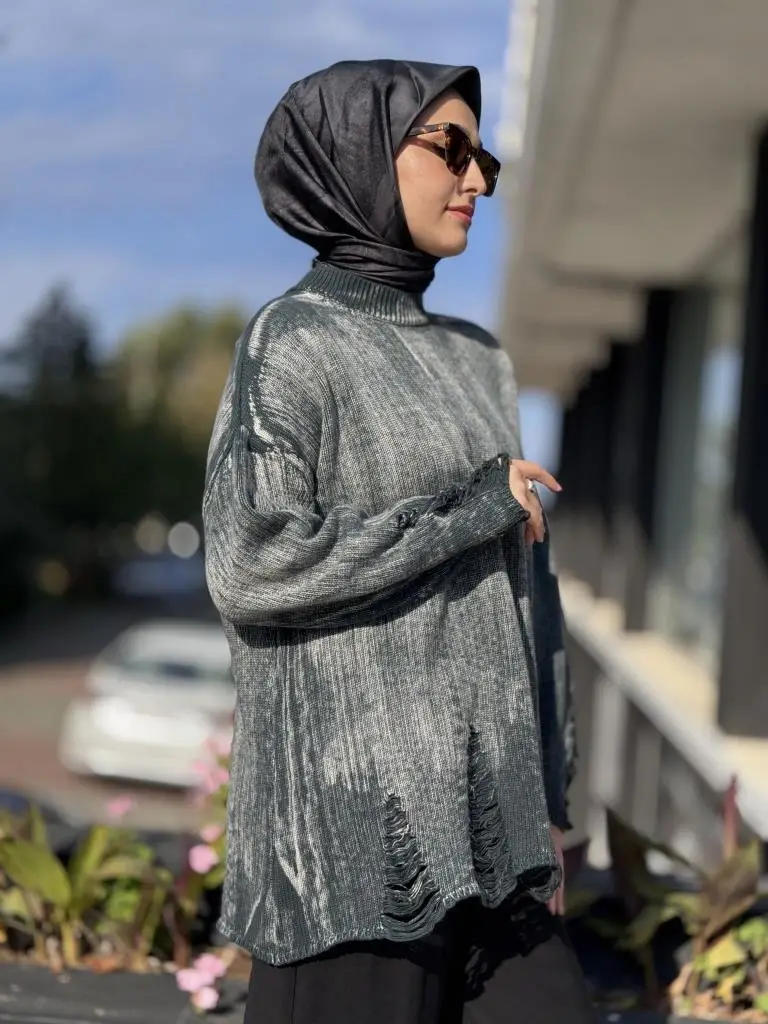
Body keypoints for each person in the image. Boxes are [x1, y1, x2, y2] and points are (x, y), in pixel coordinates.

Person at [202, 59, 597, 1024]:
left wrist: (547, 791)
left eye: (485, 160)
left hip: (495, 835)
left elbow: (529, 593)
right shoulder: (294, 341)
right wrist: (467, 510)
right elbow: (252, 563)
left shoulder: (479, 358)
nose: (476, 181)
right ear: (355, 155)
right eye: (451, 149)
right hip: (354, 843)